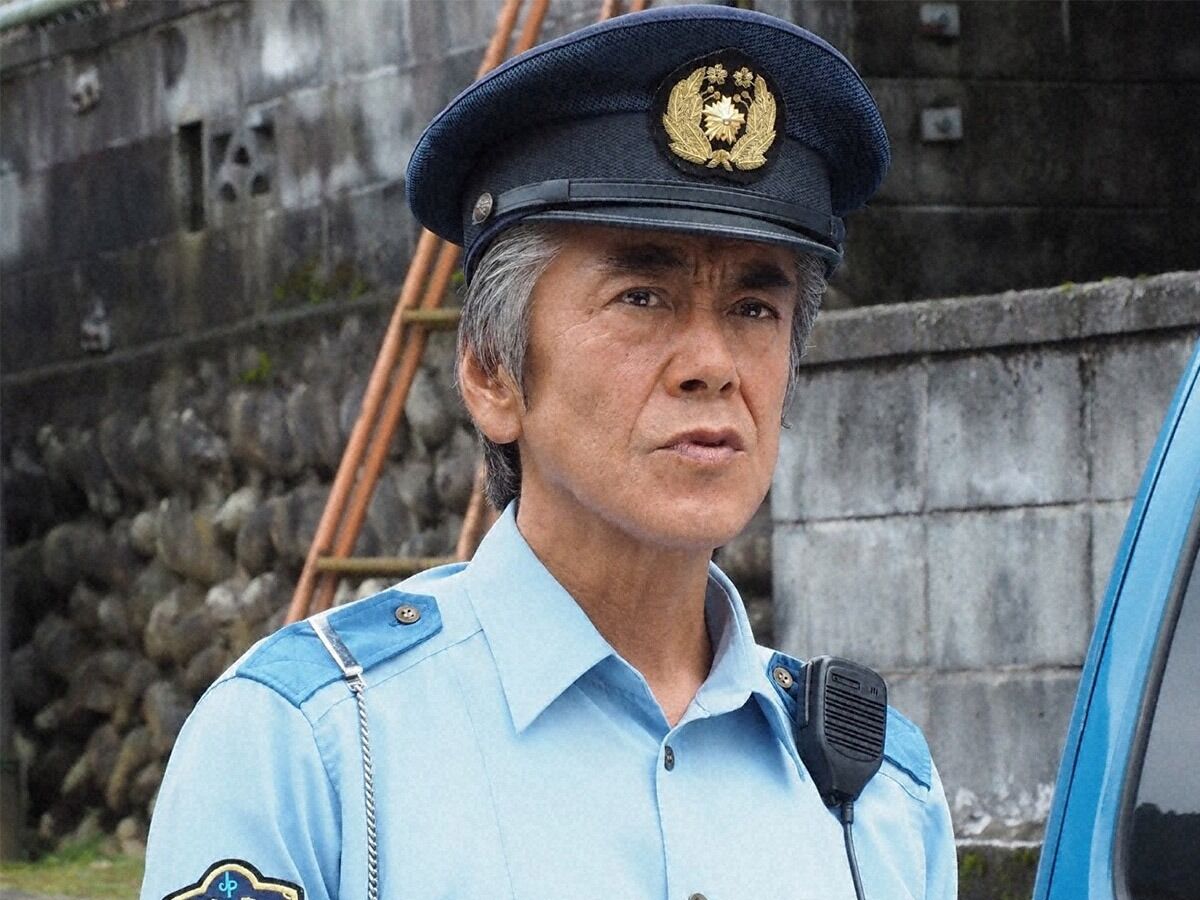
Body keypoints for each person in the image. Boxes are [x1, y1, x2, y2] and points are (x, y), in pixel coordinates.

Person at [140, 5, 957, 899]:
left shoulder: (878, 796)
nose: (714, 365)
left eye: (755, 309)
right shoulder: (318, 750)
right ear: (492, 372)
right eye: (642, 297)